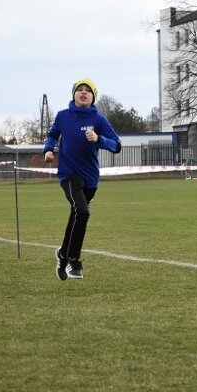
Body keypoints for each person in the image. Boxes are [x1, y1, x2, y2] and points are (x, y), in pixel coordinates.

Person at [43, 78, 121, 280]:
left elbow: (116, 144)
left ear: (93, 97)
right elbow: (52, 135)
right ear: (74, 94)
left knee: (76, 215)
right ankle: (74, 260)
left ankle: (62, 254)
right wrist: (48, 150)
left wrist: (98, 139)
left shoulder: (99, 120)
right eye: (80, 90)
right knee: (83, 212)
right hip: (69, 175)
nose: (83, 92)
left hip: (90, 179)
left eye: (88, 90)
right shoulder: (63, 117)